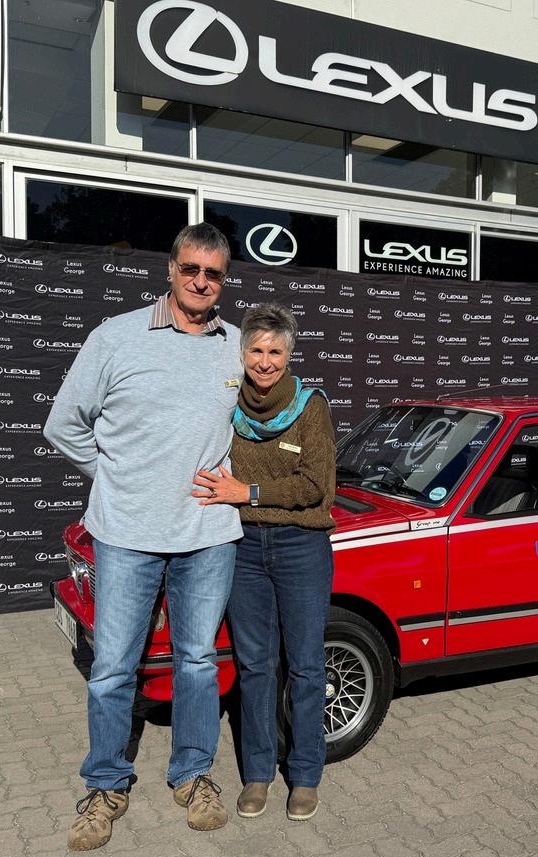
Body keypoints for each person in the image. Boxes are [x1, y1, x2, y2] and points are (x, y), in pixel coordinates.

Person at [44, 223, 243, 851]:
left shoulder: (237, 347)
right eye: (191, 269)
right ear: (170, 269)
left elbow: (259, 430)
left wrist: (246, 487)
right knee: (112, 668)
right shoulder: (117, 337)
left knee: (197, 662)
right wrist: (114, 477)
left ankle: (193, 775)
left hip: (207, 534)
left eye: (213, 273)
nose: (200, 282)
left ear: (224, 280)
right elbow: (63, 424)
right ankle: (105, 784)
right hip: (126, 534)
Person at [192, 303, 336, 823]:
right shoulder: (228, 404)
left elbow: (315, 486)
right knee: (255, 666)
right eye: (256, 349)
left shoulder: (310, 406)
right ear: (243, 352)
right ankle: (257, 773)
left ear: (288, 354)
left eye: (275, 351)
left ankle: (305, 775)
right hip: (244, 547)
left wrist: (247, 492)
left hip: (301, 546)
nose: (265, 361)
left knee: (305, 666)